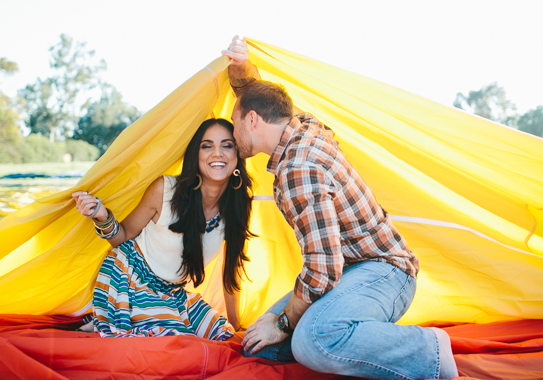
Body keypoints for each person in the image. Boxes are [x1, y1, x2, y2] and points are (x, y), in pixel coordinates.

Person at [221, 36, 458, 379]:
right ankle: (345, 329)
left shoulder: (297, 170)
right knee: (263, 344)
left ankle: (428, 350)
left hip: (386, 272)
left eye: (235, 119)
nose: (233, 129)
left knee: (312, 340)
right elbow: (260, 96)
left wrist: (284, 322)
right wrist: (241, 71)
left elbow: (322, 269)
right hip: (350, 274)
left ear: (253, 120)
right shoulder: (306, 126)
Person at [72, 118, 254, 340]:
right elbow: (125, 236)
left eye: (227, 145)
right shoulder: (165, 189)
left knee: (222, 335)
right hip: (129, 280)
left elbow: (230, 271)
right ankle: (109, 317)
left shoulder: (239, 205)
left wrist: (235, 328)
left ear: (237, 153)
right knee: (173, 341)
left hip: (173, 294)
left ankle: (103, 321)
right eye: (207, 146)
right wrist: (101, 215)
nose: (218, 153)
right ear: (195, 154)